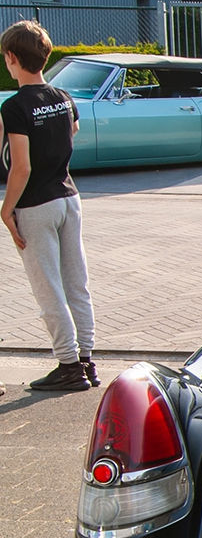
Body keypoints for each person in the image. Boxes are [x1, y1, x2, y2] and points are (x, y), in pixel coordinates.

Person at [0, 20, 96, 392]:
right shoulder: (63, 97)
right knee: (77, 282)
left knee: (48, 287)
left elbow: (20, 167)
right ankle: (86, 360)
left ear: (11, 58)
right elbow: (71, 132)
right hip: (68, 198)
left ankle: (68, 365)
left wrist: (7, 209)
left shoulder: (15, 108)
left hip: (35, 205)